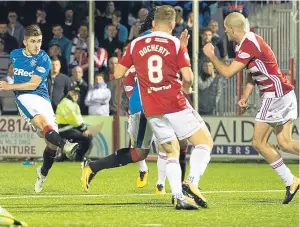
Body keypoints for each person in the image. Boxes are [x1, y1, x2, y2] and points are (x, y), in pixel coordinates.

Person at [84, 5, 214, 210]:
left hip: (151, 106)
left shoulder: (136, 44)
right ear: (173, 24)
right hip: (174, 102)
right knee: (204, 142)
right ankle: (192, 181)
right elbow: (188, 77)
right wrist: (186, 87)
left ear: (153, 23)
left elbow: (117, 73)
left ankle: (179, 197)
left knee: (171, 151)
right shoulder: (174, 43)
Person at [203, 12, 300, 204]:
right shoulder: (249, 41)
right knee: (286, 143)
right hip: (285, 94)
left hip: (275, 95)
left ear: (232, 29)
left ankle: (291, 181)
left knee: (258, 143)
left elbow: (228, 72)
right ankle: (292, 181)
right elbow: (251, 72)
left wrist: (212, 56)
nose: (224, 31)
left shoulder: (248, 44)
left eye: (226, 28)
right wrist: (246, 95)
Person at [0, 24, 78, 193]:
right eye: (33, 41)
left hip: (42, 98)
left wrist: (9, 86)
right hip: (24, 97)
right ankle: (66, 144)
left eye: (39, 41)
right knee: (44, 124)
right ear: (25, 42)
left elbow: (34, 83)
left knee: (52, 145)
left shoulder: (43, 58)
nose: (37, 45)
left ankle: (42, 173)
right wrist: (12, 87)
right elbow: (25, 85)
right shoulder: (14, 55)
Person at [56, 86, 93, 162]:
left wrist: (83, 128)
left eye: (77, 94)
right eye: (74, 93)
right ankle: (78, 158)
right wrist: (84, 129)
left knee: (87, 137)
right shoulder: (66, 102)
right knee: (87, 138)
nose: (76, 95)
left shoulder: (73, 103)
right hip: (64, 129)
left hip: (69, 128)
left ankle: (66, 156)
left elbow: (79, 119)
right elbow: (73, 119)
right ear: (69, 93)